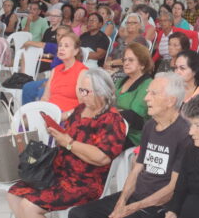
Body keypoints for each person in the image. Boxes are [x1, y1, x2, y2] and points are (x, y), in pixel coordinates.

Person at [69, 73, 191, 218]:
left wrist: (132, 208)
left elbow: (172, 189)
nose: (146, 98)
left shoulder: (185, 134)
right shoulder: (150, 125)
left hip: (157, 206)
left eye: (153, 93)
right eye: (147, 93)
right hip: (136, 196)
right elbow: (136, 170)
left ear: (171, 101)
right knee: (78, 214)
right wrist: (122, 202)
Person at [8, 68, 127, 216]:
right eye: (81, 90)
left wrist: (69, 143)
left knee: (28, 206)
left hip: (84, 181)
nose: (82, 96)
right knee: (13, 194)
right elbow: (67, 134)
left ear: (102, 92)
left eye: (86, 91)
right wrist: (56, 131)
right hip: (58, 172)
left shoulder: (111, 120)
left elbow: (102, 157)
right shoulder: (81, 109)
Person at [116, 43, 154, 147]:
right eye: (125, 60)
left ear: (142, 64)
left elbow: (134, 117)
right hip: (114, 127)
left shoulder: (147, 84)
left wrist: (109, 113)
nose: (126, 63)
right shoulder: (121, 81)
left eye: (131, 60)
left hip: (133, 136)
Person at [41, 33, 89, 112]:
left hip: (68, 116)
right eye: (60, 45)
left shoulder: (82, 72)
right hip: (50, 112)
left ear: (75, 51)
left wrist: (64, 116)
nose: (61, 48)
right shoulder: (55, 70)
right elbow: (45, 97)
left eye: (66, 46)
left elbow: (83, 105)